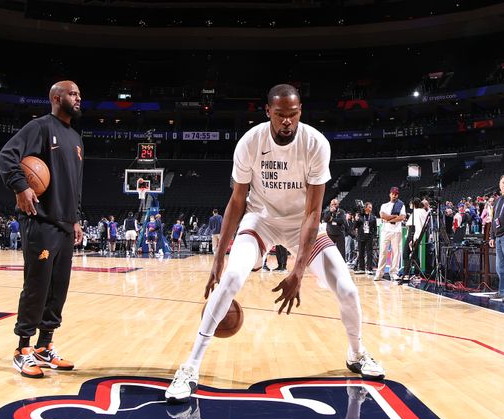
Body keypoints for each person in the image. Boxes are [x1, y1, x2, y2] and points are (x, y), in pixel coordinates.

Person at [165, 84, 385, 402]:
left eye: (293, 114)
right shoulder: (250, 142)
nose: (286, 121)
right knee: (232, 277)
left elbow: (313, 212)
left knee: (348, 290)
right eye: (280, 114)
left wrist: (298, 271)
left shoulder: (315, 144)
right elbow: (237, 201)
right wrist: (218, 256)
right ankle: (190, 367)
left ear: (300, 112)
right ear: (268, 111)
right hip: (261, 220)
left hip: (300, 224)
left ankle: (356, 353)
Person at [0, 80, 84, 378]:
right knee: (37, 286)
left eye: (79, 94)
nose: (78, 98)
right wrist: (21, 187)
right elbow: (7, 156)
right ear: (56, 98)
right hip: (41, 221)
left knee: (58, 288)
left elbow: (74, 184)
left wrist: (75, 218)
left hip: (64, 224)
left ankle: (44, 346)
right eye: (73, 94)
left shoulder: (76, 137)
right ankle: (22, 349)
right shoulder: (40, 127)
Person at [374, 187, 406, 281]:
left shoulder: (401, 205)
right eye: (393, 194)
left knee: (396, 253)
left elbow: (402, 217)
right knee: (383, 252)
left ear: (397, 195)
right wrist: (394, 216)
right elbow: (382, 215)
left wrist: (388, 219)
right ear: (390, 194)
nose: (394, 195)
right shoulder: (384, 205)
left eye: (396, 194)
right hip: (385, 231)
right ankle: (379, 273)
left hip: (397, 231)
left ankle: (394, 273)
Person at [399, 197, 428, 283]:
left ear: (414, 204)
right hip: (414, 234)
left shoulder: (417, 212)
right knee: (414, 254)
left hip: (413, 233)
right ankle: (416, 274)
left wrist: (414, 239)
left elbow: (418, 226)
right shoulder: (421, 212)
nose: (410, 205)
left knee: (406, 253)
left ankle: (408, 274)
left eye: (411, 203)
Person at [354, 202, 377, 275]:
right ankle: (362, 268)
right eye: (369, 207)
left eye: (371, 207)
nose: (371, 208)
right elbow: (355, 226)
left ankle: (369, 269)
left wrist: (373, 236)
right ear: (365, 208)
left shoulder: (373, 217)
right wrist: (356, 220)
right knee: (361, 253)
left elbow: (375, 228)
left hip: (369, 237)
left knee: (369, 253)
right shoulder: (360, 216)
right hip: (361, 236)